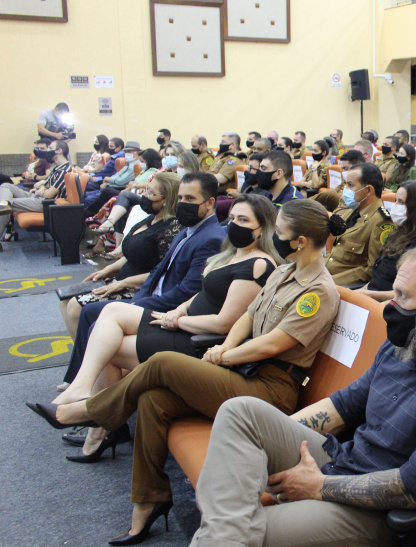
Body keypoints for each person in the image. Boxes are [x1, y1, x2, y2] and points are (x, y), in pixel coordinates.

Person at [29, 199, 345, 546]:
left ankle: (87, 411)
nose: (276, 237)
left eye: (281, 231)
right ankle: (149, 500)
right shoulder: (286, 271)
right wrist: (226, 348)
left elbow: (272, 344)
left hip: (269, 390)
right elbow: (247, 317)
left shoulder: (317, 291)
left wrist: (227, 356)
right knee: (153, 398)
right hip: (244, 371)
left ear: (300, 241)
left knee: (164, 363)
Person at [181, 245, 416, 545]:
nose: (391, 305)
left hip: (379, 511)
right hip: (342, 462)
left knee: (235, 528)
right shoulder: (407, 343)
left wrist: (317, 487)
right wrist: (267, 445)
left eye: (403, 296)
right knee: (241, 412)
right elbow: (343, 405)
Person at [53, 195, 280, 418]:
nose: (234, 225)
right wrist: (179, 310)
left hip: (198, 340)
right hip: (184, 323)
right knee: (110, 313)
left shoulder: (258, 264)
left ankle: (98, 423)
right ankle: (83, 394)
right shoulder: (231, 254)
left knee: (109, 348)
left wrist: (179, 320)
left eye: (243, 220)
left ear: (263, 227)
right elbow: (205, 293)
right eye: (231, 218)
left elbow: (224, 324)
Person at [60, 172, 227, 387]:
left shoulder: (211, 238)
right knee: (89, 311)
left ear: (210, 203)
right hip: (152, 298)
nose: (183, 204)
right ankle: (82, 382)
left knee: (98, 321)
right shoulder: (189, 229)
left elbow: (186, 291)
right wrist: (140, 296)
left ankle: (95, 400)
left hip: (170, 310)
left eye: (190, 199)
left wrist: (137, 304)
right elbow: (159, 270)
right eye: (181, 198)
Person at [59, 174, 183, 340]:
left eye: (150, 192)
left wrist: (121, 283)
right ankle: (85, 353)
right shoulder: (151, 219)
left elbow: (162, 272)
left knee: (75, 307)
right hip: (122, 280)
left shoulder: (172, 228)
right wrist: (107, 270)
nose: (144, 195)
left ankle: (90, 357)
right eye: (146, 190)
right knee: (65, 301)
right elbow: (132, 253)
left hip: (140, 289)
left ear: (166, 200)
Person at [358, 181, 416, 301]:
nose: (395, 205)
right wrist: (362, 291)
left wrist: (369, 295)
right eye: (395, 200)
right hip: (371, 296)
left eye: (401, 202)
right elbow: (377, 277)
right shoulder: (399, 232)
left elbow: (412, 292)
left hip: (391, 304)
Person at [325, 163, 392, 286]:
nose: (345, 189)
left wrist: (328, 281)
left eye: (350, 185)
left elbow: (371, 270)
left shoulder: (381, 222)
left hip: (342, 285)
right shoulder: (351, 212)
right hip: (325, 272)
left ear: (368, 190)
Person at [0, 140, 71, 233]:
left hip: (45, 203)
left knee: (6, 207)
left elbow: (49, 194)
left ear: (59, 150)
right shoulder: (57, 167)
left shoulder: (64, 170)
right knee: (6, 186)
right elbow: (46, 184)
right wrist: (42, 187)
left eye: (50, 148)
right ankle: (4, 203)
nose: (47, 151)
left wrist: (41, 189)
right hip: (37, 196)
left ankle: (4, 206)